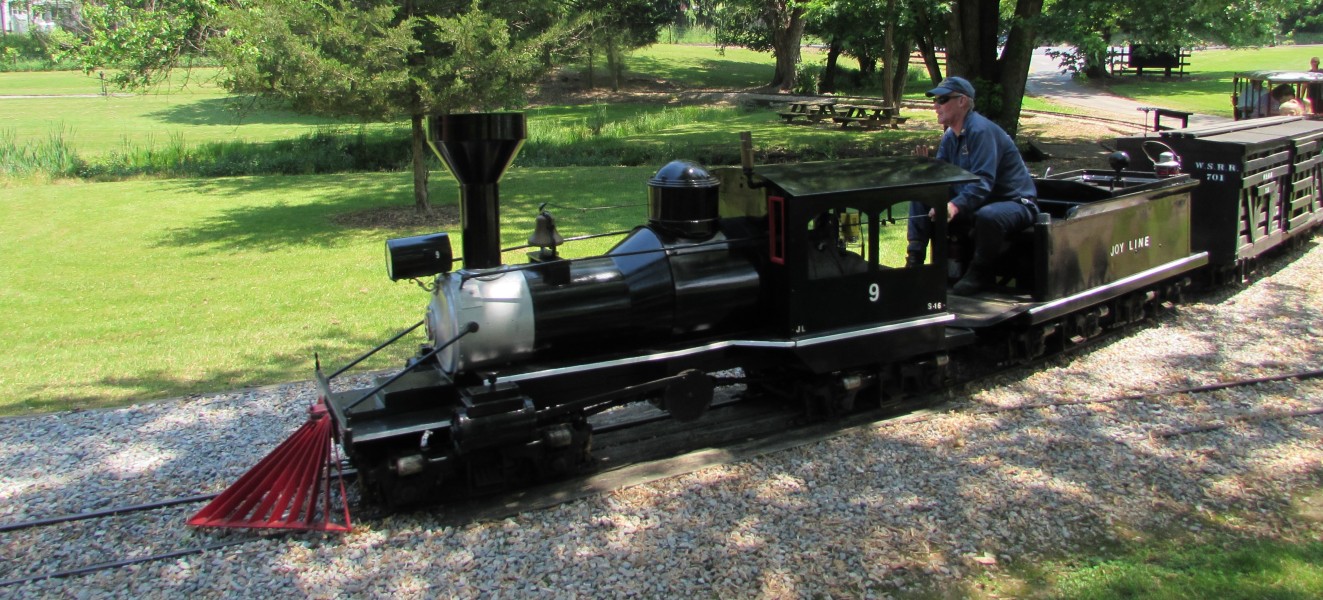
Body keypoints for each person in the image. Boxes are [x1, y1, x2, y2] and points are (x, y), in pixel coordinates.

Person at [906, 76, 1038, 295]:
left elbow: (983, 182)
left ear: (962, 102)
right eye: (935, 100)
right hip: (979, 203)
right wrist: (926, 175)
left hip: (1013, 203)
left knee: (989, 215)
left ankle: (980, 274)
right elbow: (942, 177)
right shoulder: (950, 137)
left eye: (943, 99)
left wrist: (954, 206)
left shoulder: (981, 131)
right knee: (921, 194)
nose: (936, 106)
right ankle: (914, 261)